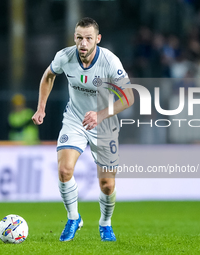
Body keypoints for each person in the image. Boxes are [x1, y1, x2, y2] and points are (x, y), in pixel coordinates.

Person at [32, 17, 134, 242]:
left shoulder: (109, 61)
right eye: (79, 38)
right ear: (74, 38)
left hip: (104, 123)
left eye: (88, 38)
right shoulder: (64, 57)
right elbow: (48, 76)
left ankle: (105, 224)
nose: (83, 44)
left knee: (107, 184)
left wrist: (100, 114)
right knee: (64, 170)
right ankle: (73, 218)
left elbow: (128, 97)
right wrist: (41, 108)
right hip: (75, 119)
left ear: (97, 39)